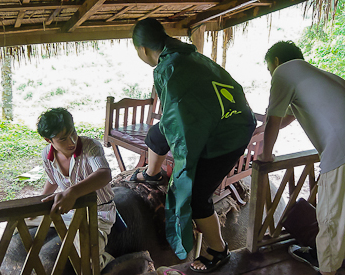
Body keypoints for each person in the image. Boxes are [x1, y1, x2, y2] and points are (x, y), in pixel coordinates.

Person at [130, 18, 257, 273]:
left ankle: (219, 251)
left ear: (142, 50)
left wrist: (182, 168)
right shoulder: (190, 56)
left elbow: (177, 126)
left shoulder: (167, 67)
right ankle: (152, 174)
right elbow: (172, 119)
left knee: (197, 197)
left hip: (225, 135)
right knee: (157, 133)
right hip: (231, 121)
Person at [258, 40, 345, 275]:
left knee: (329, 215)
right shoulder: (320, 76)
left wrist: (266, 155)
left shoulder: (284, 72)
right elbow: (287, 117)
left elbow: (274, 120)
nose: (271, 75)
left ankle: (327, 268)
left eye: (269, 69)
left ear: (276, 62)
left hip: (340, 151)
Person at [37, 107, 116, 271]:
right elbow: (52, 180)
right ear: (48, 140)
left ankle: (106, 262)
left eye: (73, 132)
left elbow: (104, 174)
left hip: (98, 212)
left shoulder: (90, 146)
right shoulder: (47, 155)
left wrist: (72, 192)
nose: (72, 141)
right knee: (22, 224)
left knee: (87, 257)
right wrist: (39, 203)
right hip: (69, 211)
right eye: (63, 139)